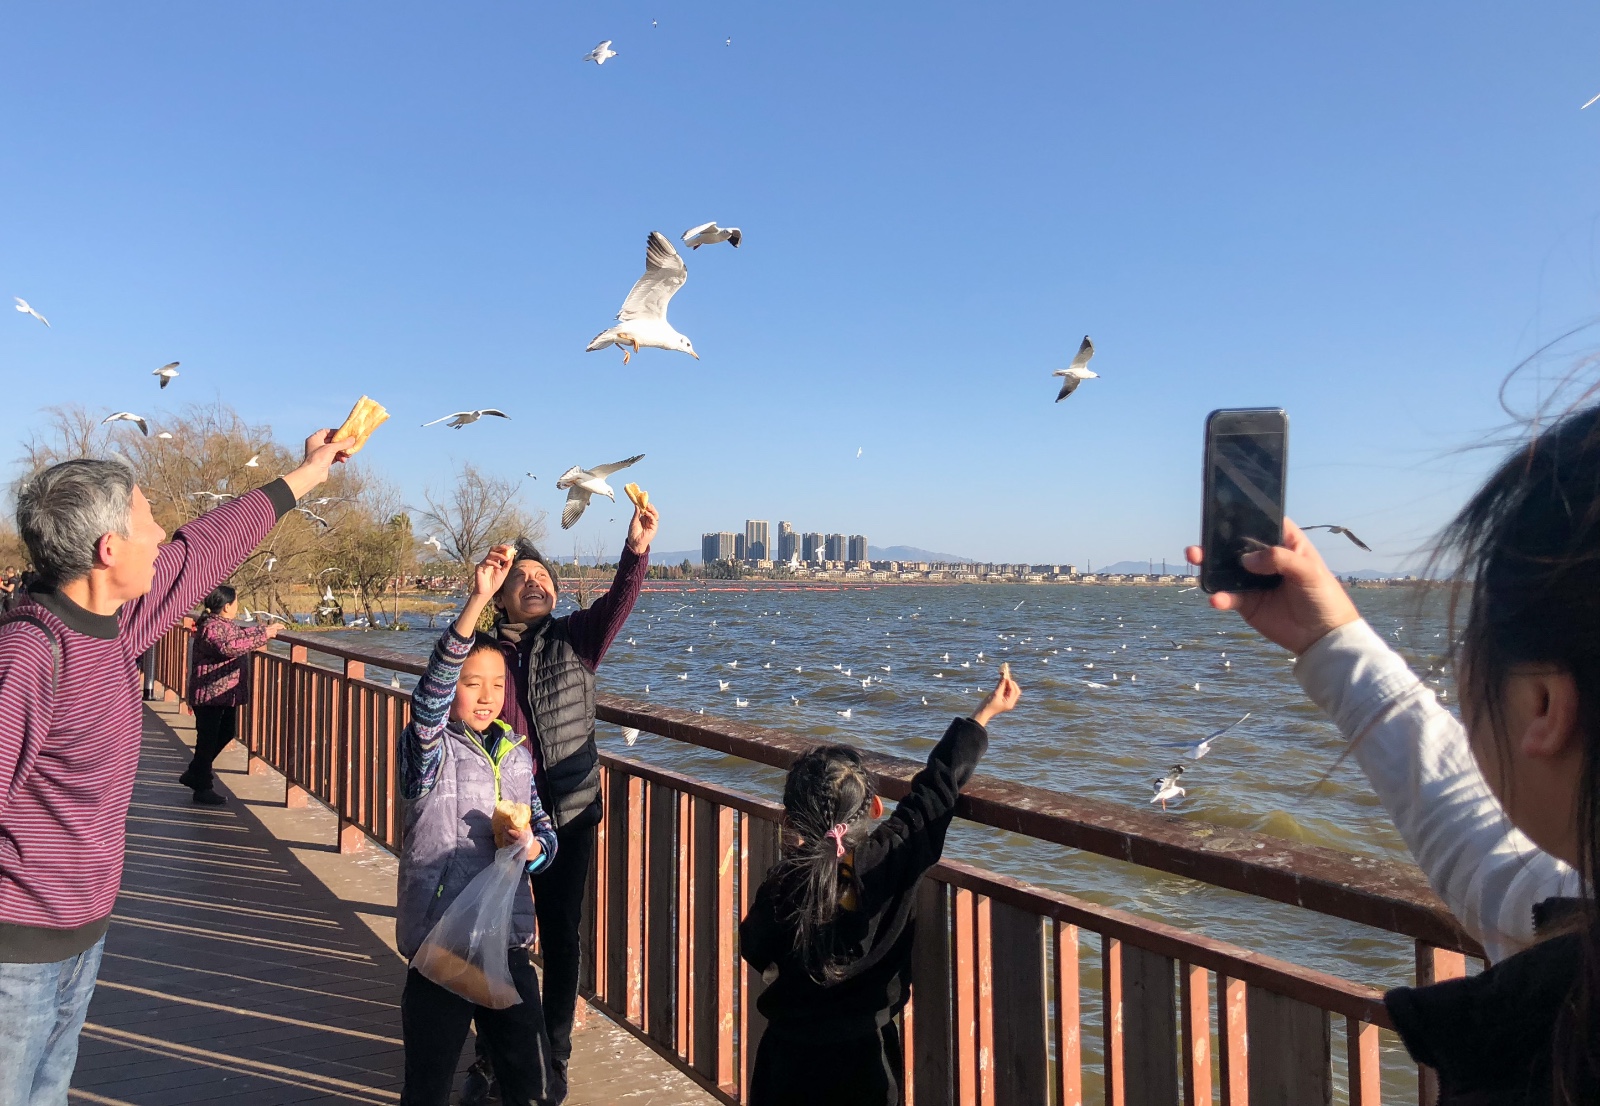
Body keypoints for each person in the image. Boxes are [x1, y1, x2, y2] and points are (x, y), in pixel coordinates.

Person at [1185, 404, 1600, 1104]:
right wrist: (1331, 641)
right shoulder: (1564, 926)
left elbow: (1501, 874)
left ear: (1544, 709)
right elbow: (1494, 865)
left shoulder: (1550, 1033)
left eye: (1472, 638)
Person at [0, 429, 351, 1106]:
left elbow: (207, 542)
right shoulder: (29, 654)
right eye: (148, 521)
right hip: (16, 950)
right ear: (109, 550)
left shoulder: (116, 625)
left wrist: (308, 474)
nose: (163, 535)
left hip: (83, 933)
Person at [738, 670, 1021, 1106]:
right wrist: (983, 715)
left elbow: (754, 946)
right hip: (864, 1059)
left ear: (789, 818)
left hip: (786, 1059)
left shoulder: (782, 883)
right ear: (874, 807)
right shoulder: (887, 858)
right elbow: (934, 794)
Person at [462, 501, 658, 1105]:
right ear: (500, 595)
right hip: (500, 822)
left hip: (568, 818)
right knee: (492, 935)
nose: (537, 583)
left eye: (543, 575)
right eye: (522, 578)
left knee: (562, 937)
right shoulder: (486, 657)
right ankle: (493, 1055)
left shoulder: (575, 639)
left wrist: (636, 551)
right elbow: (448, 682)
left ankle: (556, 1052)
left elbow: (619, 604)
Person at [396, 546, 560, 1106]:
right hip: (441, 941)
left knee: (533, 1082)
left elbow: (544, 830)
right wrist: (478, 601)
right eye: (471, 684)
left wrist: (533, 844)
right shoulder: (430, 749)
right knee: (429, 1082)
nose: (487, 696)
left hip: (506, 936)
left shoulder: (516, 754)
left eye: (496, 685)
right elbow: (429, 699)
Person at [182, 584, 282, 804]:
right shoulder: (211, 627)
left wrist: (263, 630)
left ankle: (196, 774)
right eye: (236, 602)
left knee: (224, 732)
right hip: (210, 694)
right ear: (227, 606)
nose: (237, 606)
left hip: (221, 693)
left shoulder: (221, 624)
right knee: (208, 739)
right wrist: (264, 635)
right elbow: (229, 647)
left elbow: (239, 635)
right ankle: (202, 784)